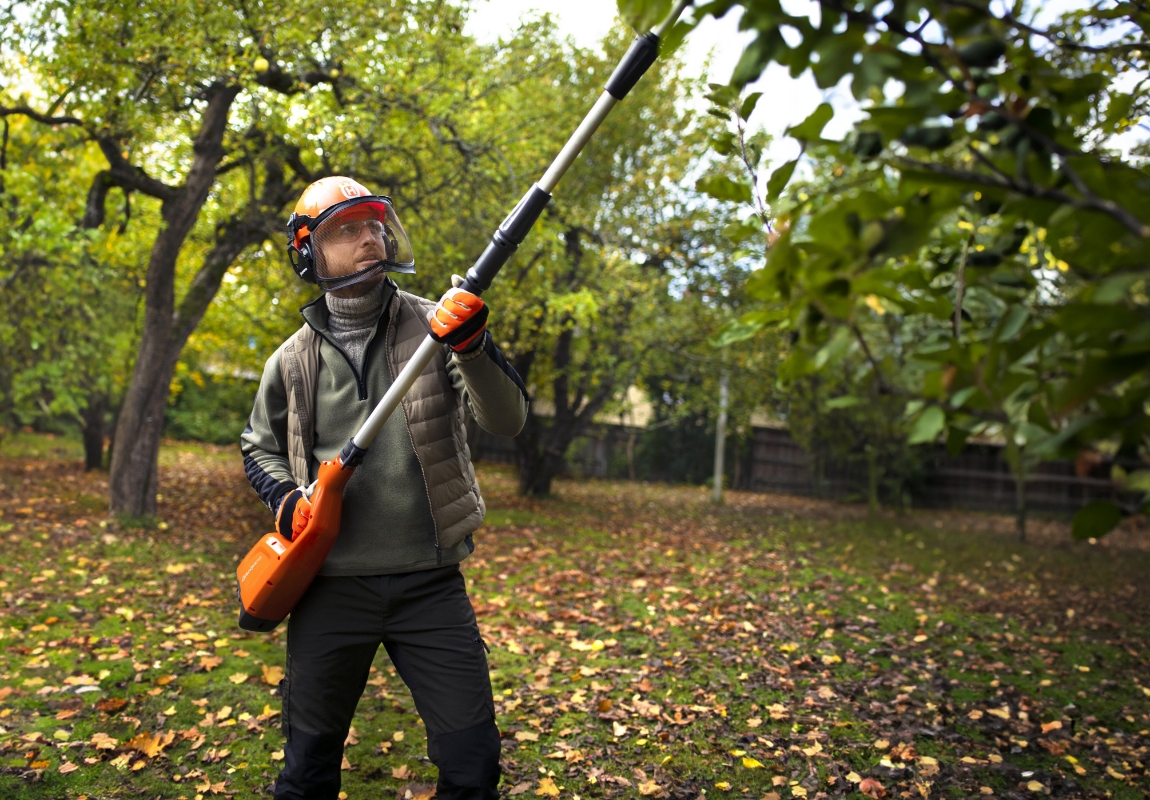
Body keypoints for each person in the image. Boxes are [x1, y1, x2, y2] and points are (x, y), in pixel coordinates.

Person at [240, 176, 528, 800]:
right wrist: (287, 501)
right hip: (328, 586)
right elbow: (258, 446)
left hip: (430, 583)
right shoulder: (290, 360)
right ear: (309, 252)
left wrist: (473, 347)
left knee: (473, 762)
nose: (369, 237)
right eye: (347, 230)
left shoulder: (438, 324)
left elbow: (507, 421)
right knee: (307, 770)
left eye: (374, 224)